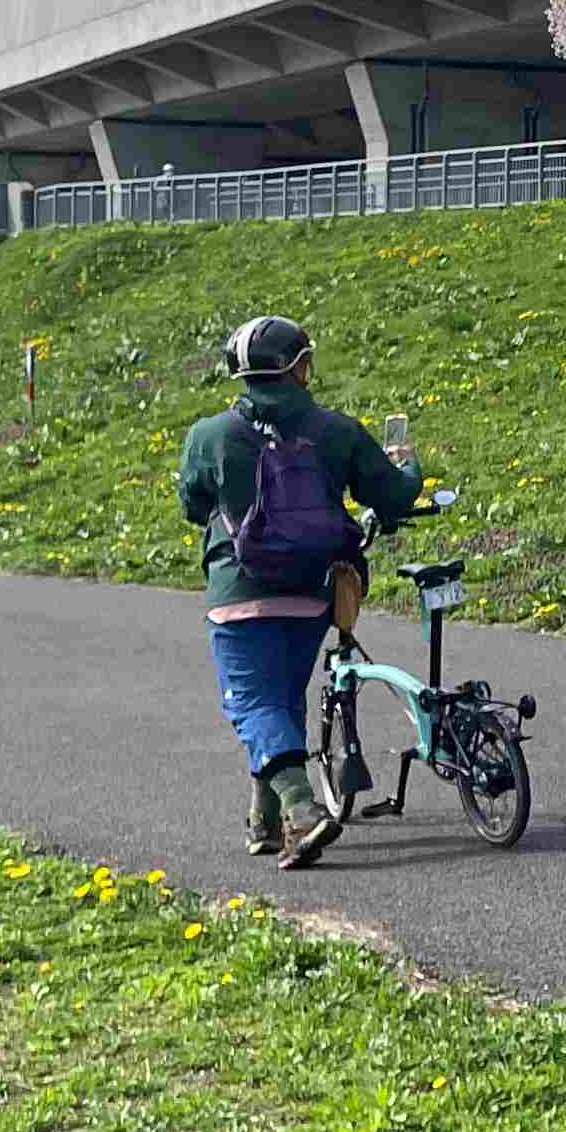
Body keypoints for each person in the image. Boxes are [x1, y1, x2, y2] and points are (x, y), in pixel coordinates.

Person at [176, 314, 428, 868]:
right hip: (316, 592)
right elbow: (392, 497)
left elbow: (193, 506)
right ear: (299, 369)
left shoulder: (210, 435)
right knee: (278, 701)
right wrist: (408, 469)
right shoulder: (336, 430)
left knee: (252, 702)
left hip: (240, 592)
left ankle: (302, 811)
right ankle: (263, 822)